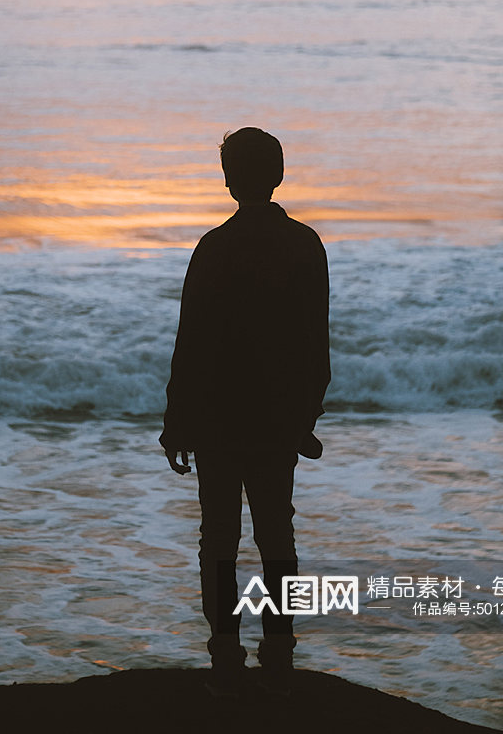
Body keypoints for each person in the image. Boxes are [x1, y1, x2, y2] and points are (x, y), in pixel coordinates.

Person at [160, 127, 330, 697]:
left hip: (217, 419)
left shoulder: (214, 247)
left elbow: (191, 344)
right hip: (278, 420)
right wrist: (305, 415)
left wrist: (175, 421)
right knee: (277, 534)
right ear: (278, 175)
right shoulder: (306, 245)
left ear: (229, 178)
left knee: (219, 539)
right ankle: (279, 648)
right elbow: (317, 345)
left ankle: (224, 652)